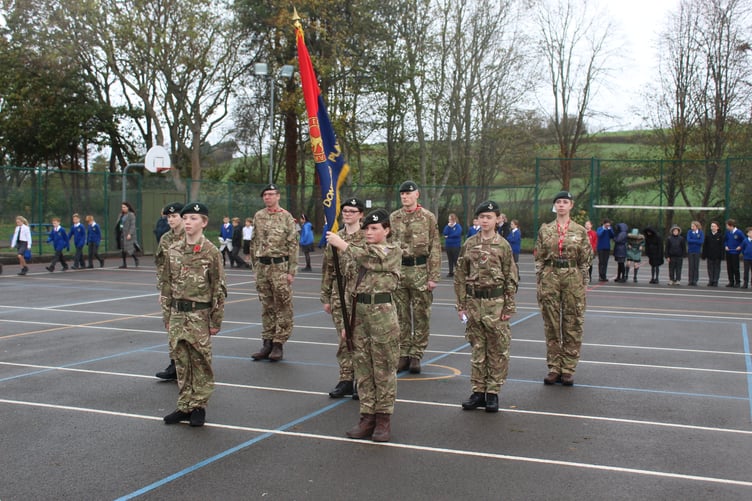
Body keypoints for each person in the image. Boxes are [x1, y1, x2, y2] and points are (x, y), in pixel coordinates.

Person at [326, 208, 402, 442]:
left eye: (375, 228)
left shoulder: (392, 250)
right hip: (358, 316)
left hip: (382, 317)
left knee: (384, 370)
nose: (369, 232)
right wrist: (346, 322)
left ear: (386, 230)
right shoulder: (357, 253)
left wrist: (343, 245)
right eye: (367, 228)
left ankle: (383, 419)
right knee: (363, 369)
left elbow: (371, 260)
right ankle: (367, 416)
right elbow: (350, 289)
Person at [159, 202, 226, 427]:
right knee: (181, 360)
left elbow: (219, 288)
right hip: (178, 313)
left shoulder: (211, 252)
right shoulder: (173, 249)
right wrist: (167, 316)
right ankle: (184, 405)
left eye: (194, 218)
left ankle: (199, 406)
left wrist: (215, 320)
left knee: (200, 361)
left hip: (199, 314)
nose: (188, 222)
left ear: (204, 222)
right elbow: (166, 285)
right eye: (185, 218)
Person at [454, 201, 518, 413]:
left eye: (489, 217)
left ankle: (492, 392)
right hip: (474, 303)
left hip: (495, 304)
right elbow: (460, 275)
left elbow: (511, 277)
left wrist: (509, 306)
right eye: (482, 217)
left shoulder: (503, 246)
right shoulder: (470, 244)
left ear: (498, 220)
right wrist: (461, 304)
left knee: (497, 349)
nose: (485, 220)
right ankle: (478, 391)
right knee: (477, 348)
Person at [534, 191, 592, 386]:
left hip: (572, 276)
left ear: (571, 206)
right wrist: (540, 281)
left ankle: (568, 368)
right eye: (558, 202)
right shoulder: (546, 230)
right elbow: (540, 257)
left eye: (565, 202)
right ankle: (554, 367)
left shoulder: (580, 231)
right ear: (554, 206)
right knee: (551, 324)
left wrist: (584, 283)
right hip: (550, 275)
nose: (561, 205)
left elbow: (585, 260)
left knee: (572, 323)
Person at [390, 180, 441, 374]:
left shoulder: (428, 217)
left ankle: (416, 354)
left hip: (420, 270)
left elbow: (435, 247)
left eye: (408, 193)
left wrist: (433, 276)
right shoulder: (394, 217)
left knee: (421, 315)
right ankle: (403, 353)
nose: (405, 196)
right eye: (402, 194)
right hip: (399, 271)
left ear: (417, 195)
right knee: (401, 315)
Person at [321, 197, 365, 399]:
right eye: (345, 211)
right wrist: (326, 297)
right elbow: (328, 268)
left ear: (361, 215)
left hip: (360, 295)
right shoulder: (334, 238)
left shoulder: (367, 237)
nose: (347, 214)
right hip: (340, 295)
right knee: (343, 338)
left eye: (352, 211)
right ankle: (345, 378)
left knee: (360, 339)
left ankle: (361, 380)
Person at [249, 184, 299, 362]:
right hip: (263, 266)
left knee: (283, 305)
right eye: (265, 195)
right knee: (267, 306)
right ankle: (267, 342)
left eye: (271, 194)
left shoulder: (286, 217)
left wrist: (291, 270)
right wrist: (255, 267)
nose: (268, 197)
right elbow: (254, 241)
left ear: (278, 196)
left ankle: (279, 343)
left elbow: (293, 244)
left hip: (279, 266)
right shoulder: (259, 216)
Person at [154, 202, 185, 381]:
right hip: (169, 290)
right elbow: (160, 265)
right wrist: (162, 289)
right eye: (169, 217)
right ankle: (174, 364)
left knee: (187, 329)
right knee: (171, 328)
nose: (171, 220)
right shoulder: (165, 238)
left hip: (187, 291)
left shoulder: (190, 236)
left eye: (174, 216)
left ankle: (188, 366)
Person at [702, 221, 724, 287]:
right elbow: (705, 246)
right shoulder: (708, 235)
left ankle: (715, 281)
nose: (713, 227)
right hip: (710, 255)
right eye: (712, 226)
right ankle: (711, 280)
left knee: (717, 268)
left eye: (714, 226)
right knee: (710, 268)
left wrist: (722, 255)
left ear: (717, 227)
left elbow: (722, 246)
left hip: (717, 255)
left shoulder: (720, 236)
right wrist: (704, 255)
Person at [118, 201, 139, 268]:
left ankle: (135, 258)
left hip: (129, 234)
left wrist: (130, 233)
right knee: (123, 249)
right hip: (122, 234)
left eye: (124, 207)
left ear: (128, 207)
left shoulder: (131, 215)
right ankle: (124, 264)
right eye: (122, 207)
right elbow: (120, 224)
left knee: (130, 249)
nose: (123, 208)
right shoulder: (121, 215)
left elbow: (133, 225)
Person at [724, 219, 744, 288]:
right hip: (729, 251)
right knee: (729, 267)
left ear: (731, 226)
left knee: (735, 267)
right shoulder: (728, 232)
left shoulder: (739, 232)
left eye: (727, 225)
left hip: (735, 252)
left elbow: (743, 241)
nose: (726, 227)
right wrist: (726, 245)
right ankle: (731, 281)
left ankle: (737, 282)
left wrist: (740, 246)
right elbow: (726, 240)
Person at [442, 212, 462, 277]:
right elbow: (445, 233)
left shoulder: (458, 226)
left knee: (456, 259)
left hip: (455, 245)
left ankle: (458, 272)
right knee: (450, 259)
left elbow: (457, 234)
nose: (449, 220)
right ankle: (450, 272)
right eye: (449, 219)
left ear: (454, 219)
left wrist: (449, 236)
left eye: (450, 219)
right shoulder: (447, 226)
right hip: (448, 245)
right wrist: (448, 227)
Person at [686, 221, 704, 286]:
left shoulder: (700, 232)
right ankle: (690, 280)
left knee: (696, 266)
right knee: (691, 266)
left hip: (697, 251)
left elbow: (701, 241)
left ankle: (695, 280)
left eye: (693, 226)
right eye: (691, 226)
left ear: (697, 226)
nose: (692, 227)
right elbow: (688, 240)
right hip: (690, 251)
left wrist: (693, 240)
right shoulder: (689, 232)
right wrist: (696, 240)